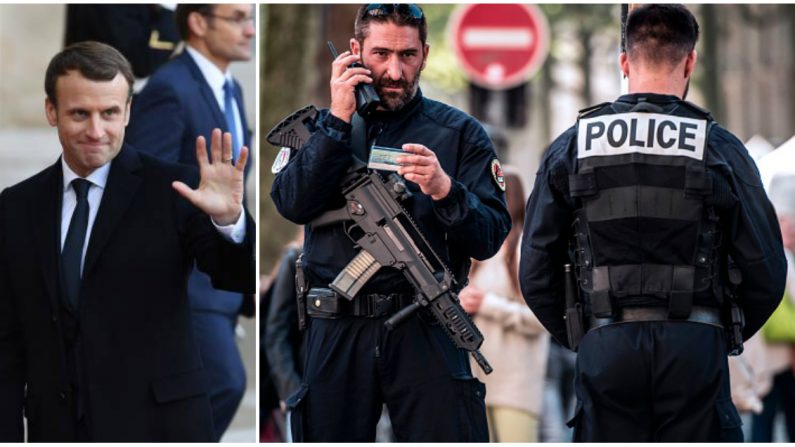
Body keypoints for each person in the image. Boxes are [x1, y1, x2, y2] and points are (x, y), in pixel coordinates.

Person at [519, 4, 787, 442]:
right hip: (696, 345)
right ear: (690, 60)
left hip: (605, 346)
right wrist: (720, 329)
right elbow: (768, 269)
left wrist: (585, 335)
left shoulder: (572, 146)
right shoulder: (719, 147)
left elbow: (534, 268)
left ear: (624, 61)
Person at [270, 3, 511, 442]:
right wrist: (338, 124)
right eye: (381, 55)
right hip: (336, 328)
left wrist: (445, 190)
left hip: (426, 325)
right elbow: (290, 203)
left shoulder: (459, 133)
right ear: (354, 50)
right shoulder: (323, 129)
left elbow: (492, 235)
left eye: (408, 56)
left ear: (426, 53)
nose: (395, 72)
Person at [0, 41, 254, 442]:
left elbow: (237, 278)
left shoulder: (176, 187)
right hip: (60, 429)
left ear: (128, 113)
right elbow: (8, 344)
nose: (96, 131)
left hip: (159, 428)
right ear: (51, 111)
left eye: (110, 113)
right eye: (80, 114)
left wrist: (229, 220)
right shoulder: (15, 207)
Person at [125, 4, 255, 440]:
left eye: (251, 17)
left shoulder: (228, 88)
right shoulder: (169, 88)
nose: (250, 29)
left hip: (217, 279)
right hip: (186, 283)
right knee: (223, 383)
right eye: (238, 18)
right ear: (198, 23)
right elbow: (140, 187)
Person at [458, 167, 550, 442]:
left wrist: (487, 304)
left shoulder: (526, 250)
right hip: (473, 382)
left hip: (515, 388)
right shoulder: (476, 250)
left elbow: (542, 319)